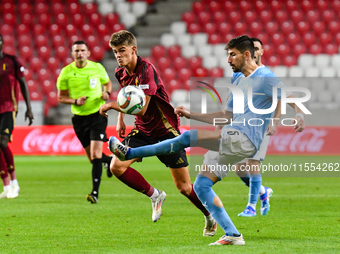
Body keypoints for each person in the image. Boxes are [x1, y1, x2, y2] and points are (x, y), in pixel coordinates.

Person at [108, 35, 306, 245]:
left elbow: (291, 97)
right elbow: (225, 116)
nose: (228, 60)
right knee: (201, 186)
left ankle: (131, 153)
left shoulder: (265, 77)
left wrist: (300, 114)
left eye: (232, 55)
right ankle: (233, 234)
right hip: (231, 135)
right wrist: (192, 114)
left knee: (187, 137)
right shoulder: (237, 79)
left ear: (246, 55)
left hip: (245, 138)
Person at [99, 30, 216, 236]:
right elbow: (126, 95)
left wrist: (112, 106)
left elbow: (141, 107)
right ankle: (155, 195)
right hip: (143, 130)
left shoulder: (147, 71)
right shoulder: (121, 72)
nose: (118, 55)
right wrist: (120, 119)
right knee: (116, 166)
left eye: (122, 51)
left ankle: (209, 215)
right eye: (115, 52)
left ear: (134, 50)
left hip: (166, 132)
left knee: (184, 188)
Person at [57, 41, 113, 204]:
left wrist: (107, 93)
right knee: (92, 158)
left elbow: (107, 83)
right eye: (76, 51)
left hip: (97, 115)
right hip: (79, 119)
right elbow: (61, 97)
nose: (80, 53)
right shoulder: (66, 72)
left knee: (95, 155)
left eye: (82, 50)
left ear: (88, 53)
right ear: (72, 54)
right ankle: (109, 161)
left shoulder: (97, 68)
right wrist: (74, 100)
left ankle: (95, 193)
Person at [233, 37, 279, 217]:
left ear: (261, 52)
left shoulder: (266, 75)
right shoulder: (238, 74)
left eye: (257, 49)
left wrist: (274, 121)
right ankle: (263, 192)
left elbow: (281, 97)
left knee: (253, 163)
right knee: (239, 169)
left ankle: (251, 206)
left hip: (260, 125)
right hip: (240, 125)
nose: (254, 52)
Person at [0, 33, 34, 199]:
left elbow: (23, 84)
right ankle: (6, 185)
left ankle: (14, 183)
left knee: (2, 141)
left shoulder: (12, 61)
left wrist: (28, 108)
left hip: (8, 107)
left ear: (1, 43)